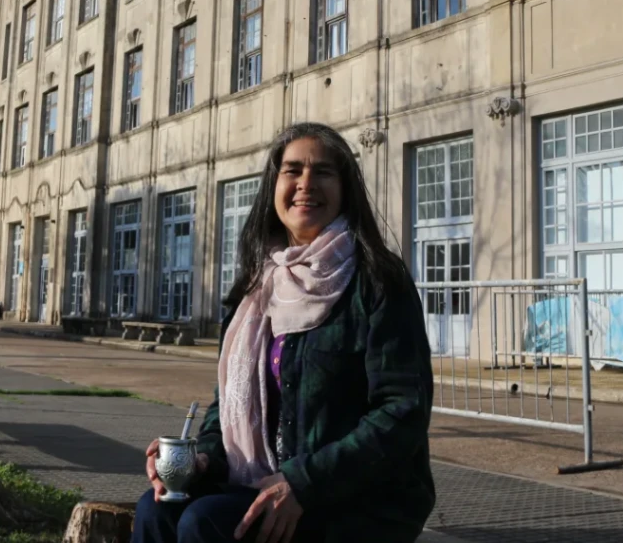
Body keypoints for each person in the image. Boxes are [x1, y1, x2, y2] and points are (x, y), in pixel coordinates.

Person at [134, 122, 434, 543]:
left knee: (205, 524)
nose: (306, 184)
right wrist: (198, 460)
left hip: (358, 499)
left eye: (323, 172)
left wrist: (303, 483)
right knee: (157, 509)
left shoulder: (378, 281)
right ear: (274, 185)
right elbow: (226, 414)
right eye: (292, 170)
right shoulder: (256, 288)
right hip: (259, 482)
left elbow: (403, 411)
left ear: (346, 188)